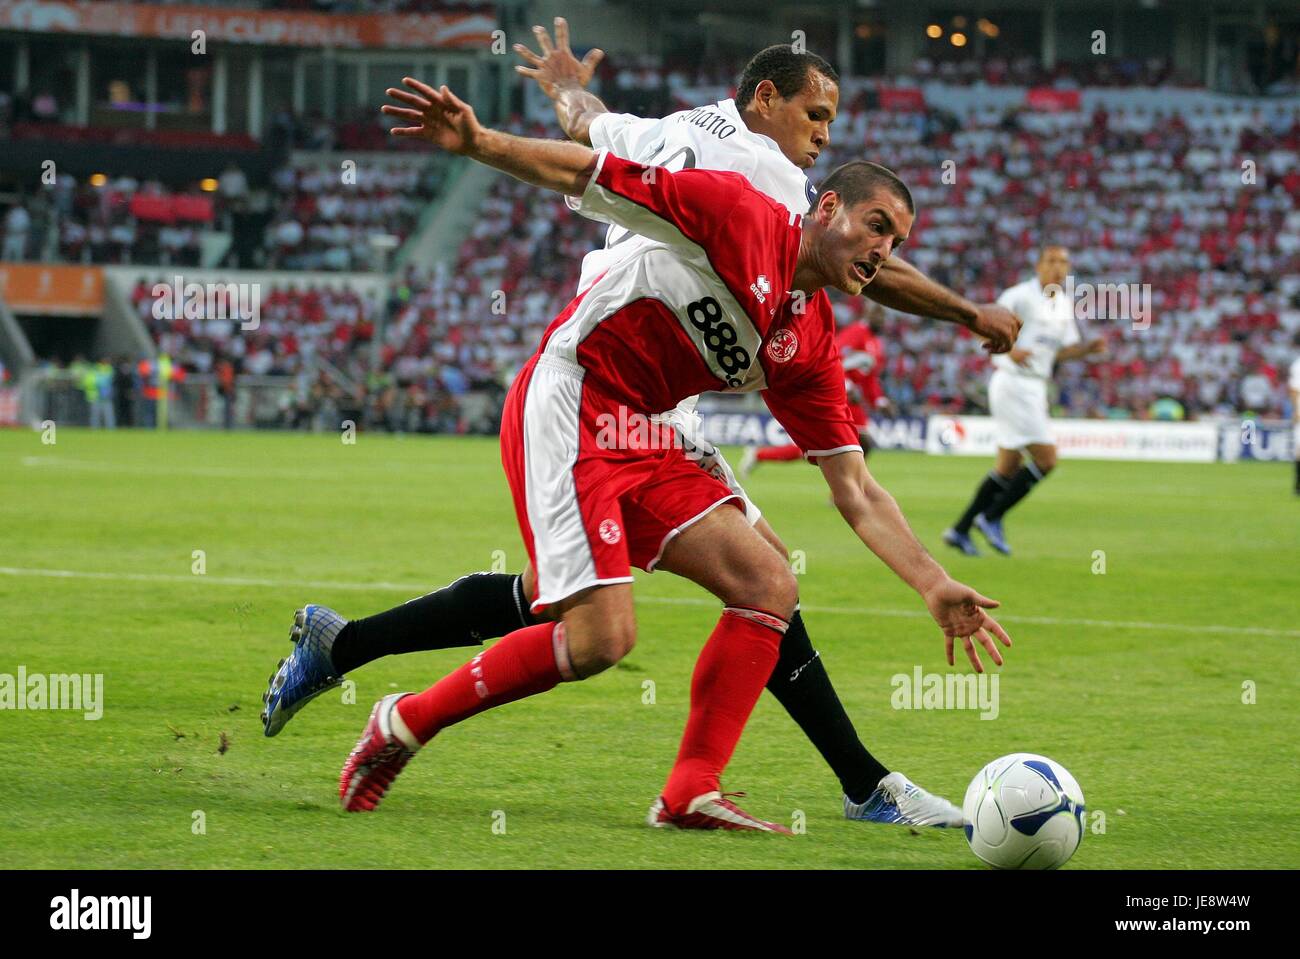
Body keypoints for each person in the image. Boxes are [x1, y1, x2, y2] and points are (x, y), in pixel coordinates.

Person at [264, 32, 1015, 829]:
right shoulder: (758, 191)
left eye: (897, 242)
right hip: (577, 392)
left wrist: (933, 582)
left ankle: (701, 785)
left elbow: (591, 125)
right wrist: (478, 142)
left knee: (765, 583)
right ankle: (402, 720)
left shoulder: (797, 319)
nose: (885, 253)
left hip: (655, 421)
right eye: (815, 113)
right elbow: (584, 170)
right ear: (775, 118)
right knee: (596, 634)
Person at [943, 246, 1107, 556]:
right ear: (1039, 266)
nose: (1058, 268)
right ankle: (990, 517)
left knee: (1007, 467)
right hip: (1013, 384)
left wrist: (1088, 350)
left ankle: (960, 530)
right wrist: (1008, 350)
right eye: (1052, 261)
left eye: (1064, 263)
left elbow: (1059, 351)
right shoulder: (1018, 295)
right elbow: (981, 324)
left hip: (1035, 386)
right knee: (1046, 460)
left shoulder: (1062, 304)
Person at [741, 301, 890, 474]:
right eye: (877, 316)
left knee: (851, 445)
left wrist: (879, 401)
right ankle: (760, 455)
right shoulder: (857, 333)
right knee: (838, 446)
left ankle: (848, 491)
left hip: (852, 401)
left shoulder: (876, 344)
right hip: (839, 394)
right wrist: (847, 386)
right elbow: (834, 356)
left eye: (883, 318)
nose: (881, 321)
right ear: (867, 315)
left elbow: (869, 378)